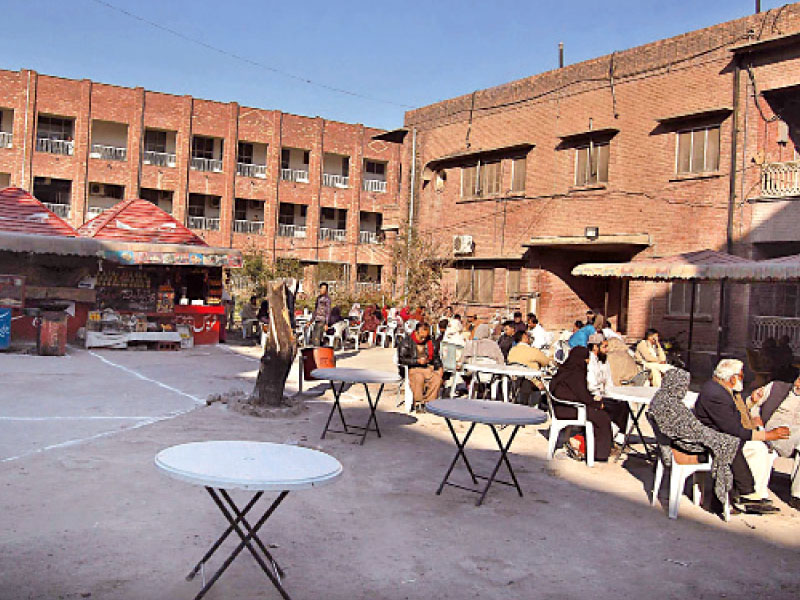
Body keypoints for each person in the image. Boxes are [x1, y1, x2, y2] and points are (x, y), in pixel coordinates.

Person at [647, 369, 769, 517]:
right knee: (729, 445)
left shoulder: (662, 399)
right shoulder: (672, 406)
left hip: (679, 442)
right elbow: (693, 432)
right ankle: (744, 493)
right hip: (685, 447)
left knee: (728, 442)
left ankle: (745, 492)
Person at [694, 359, 789, 511]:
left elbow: (737, 413)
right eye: (741, 375)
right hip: (716, 440)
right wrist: (768, 435)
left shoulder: (722, 389)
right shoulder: (717, 394)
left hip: (724, 435)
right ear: (732, 378)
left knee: (762, 450)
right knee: (758, 449)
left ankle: (755, 494)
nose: (744, 378)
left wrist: (751, 402)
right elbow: (733, 429)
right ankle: (748, 495)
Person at [549, 346, 626, 462]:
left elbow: (579, 394)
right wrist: (596, 404)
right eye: (586, 359)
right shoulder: (576, 372)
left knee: (613, 407)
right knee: (602, 416)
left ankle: (600, 444)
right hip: (570, 409)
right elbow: (582, 395)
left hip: (565, 406)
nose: (588, 362)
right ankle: (598, 452)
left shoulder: (566, 370)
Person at [747, 375, 800, 510]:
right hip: (775, 432)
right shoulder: (776, 387)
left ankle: (797, 496)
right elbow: (751, 402)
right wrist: (756, 418)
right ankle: (798, 496)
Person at [398, 322, 443, 410]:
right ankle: (418, 402)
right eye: (421, 336)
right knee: (419, 378)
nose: (423, 339)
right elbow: (401, 359)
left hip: (427, 367)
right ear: (416, 332)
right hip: (412, 368)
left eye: (425, 337)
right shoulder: (406, 342)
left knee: (437, 379)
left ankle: (429, 403)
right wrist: (417, 361)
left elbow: (436, 357)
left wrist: (440, 367)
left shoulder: (431, 342)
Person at [507, 330, 549, 406]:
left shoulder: (512, 350)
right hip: (533, 382)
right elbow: (546, 361)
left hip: (515, 381)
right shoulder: (533, 351)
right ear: (524, 337)